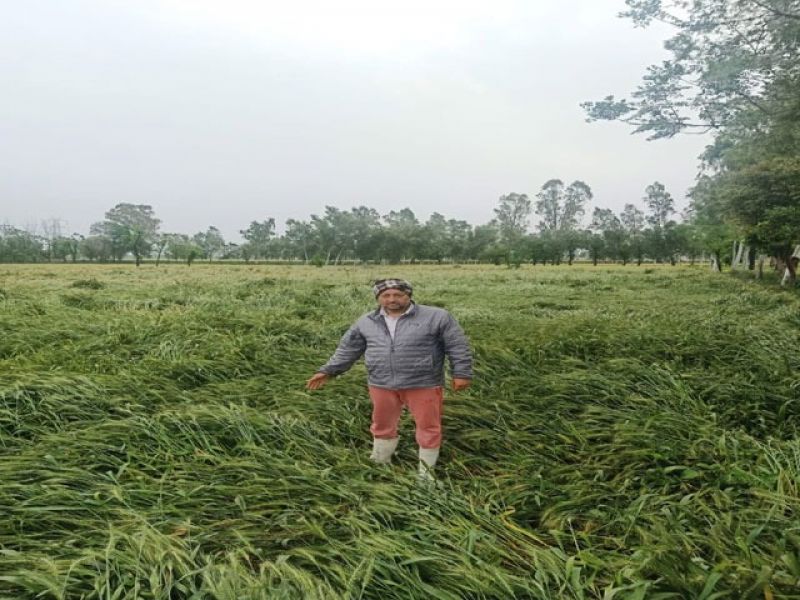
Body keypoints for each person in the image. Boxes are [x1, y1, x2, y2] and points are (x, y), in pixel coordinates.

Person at [306, 278, 473, 480]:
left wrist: (461, 373)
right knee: (382, 423)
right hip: (381, 382)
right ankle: (380, 462)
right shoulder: (366, 321)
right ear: (378, 298)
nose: (392, 299)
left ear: (408, 295)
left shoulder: (437, 317)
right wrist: (329, 370)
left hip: (422, 382)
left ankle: (426, 475)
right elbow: (348, 349)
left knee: (428, 426)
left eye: (398, 295)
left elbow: (457, 345)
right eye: (386, 295)